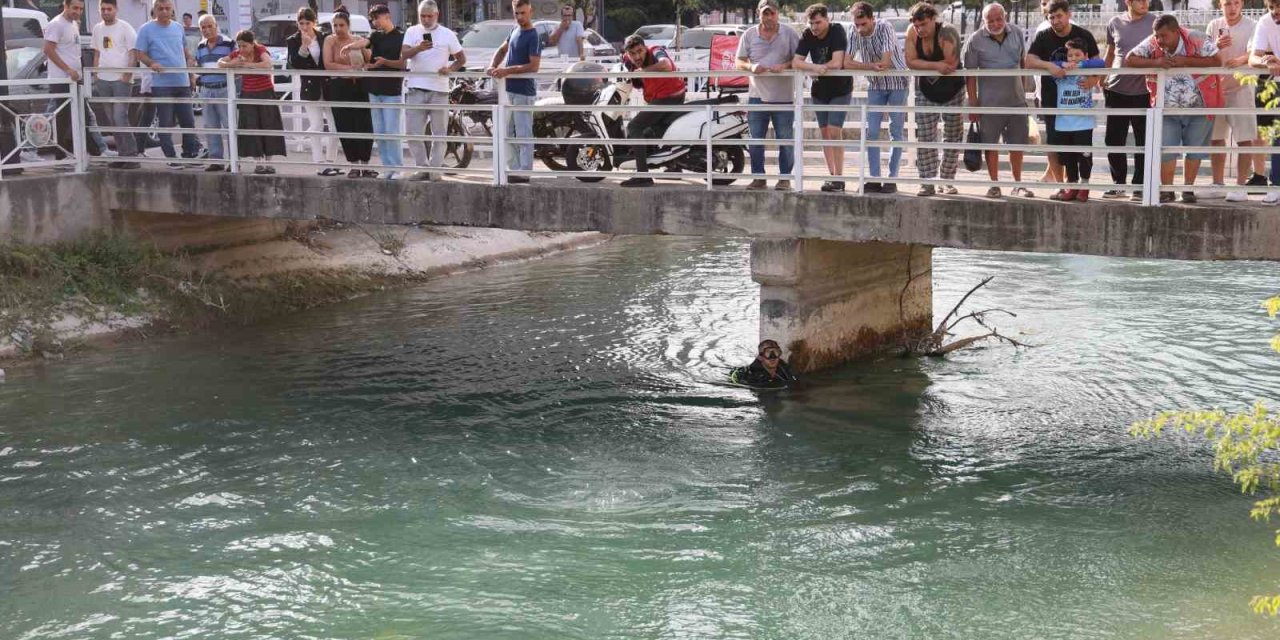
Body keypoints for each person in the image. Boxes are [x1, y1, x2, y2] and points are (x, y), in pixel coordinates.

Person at [1125, 14, 1222, 204]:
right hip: (1165, 108)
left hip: (1200, 106)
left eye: (1164, 36)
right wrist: (1156, 63)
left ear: (1177, 32)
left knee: (1194, 150)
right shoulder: (1153, 42)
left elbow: (1218, 61)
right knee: (1166, 150)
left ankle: (1187, 189)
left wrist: (1186, 60)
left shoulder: (1196, 38)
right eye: (1157, 36)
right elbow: (1130, 59)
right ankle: (1167, 191)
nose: (1159, 41)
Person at [1025, 0, 1098, 202]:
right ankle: (1065, 186)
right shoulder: (1043, 35)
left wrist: (1094, 80)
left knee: (1082, 147)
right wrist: (1050, 66)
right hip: (1052, 102)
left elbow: (1099, 61)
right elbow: (1029, 61)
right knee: (1058, 146)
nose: (1056, 21)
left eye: (1059, 16)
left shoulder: (1084, 35)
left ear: (1068, 14)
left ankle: (1083, 186)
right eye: (1051, 17)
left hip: (1080, 104)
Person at [963, 3, 1033, 199]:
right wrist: (973, 104)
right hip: (989, 104)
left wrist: (1024, 94)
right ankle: (994, 184)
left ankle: (1018, 184)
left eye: (998, 19)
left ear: (1005, 16)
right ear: (984, 21)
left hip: (1017, 101)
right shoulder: (975, 40)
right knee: (990, 145)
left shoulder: (1017, 32)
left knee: (1017, 145)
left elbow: (1023, 63)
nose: (995, 24)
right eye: (990, 21)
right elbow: (970, 76)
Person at [735, 0, 798, 191]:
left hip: (784, 96)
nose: (769, 17)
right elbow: (739, 60)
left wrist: (785, 66)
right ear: (758, 14)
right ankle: (758, 178)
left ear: (778, 14)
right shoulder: (749, 34)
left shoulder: (789, 33)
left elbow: (799, 59)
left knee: (785, 140)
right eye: (765, 13)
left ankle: (785, 178)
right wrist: (751, 66)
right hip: (757, 95)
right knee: (755, 140)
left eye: (772, 13)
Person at [846, 1, 908, 194]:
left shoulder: (885, 26)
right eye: (856, 24)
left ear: (872, 19)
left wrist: (869, 65)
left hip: (898, 83)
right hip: (875, 84)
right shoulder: (853, 31)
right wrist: (870, 67)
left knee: (895, 131)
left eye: (863, 23)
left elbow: (886, 61)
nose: (859, 28)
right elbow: (847, 63)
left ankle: (891, 178)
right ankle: (874, 178)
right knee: (871, 131)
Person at [1207, 0, 1265, 201]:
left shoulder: (1252, 25)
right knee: (1216, 138)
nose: (1232, 7)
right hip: (1217, 89)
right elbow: (1205, 53)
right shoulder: (1214, 25)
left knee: (1245, 138)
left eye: (1236, 3)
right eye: (1227, 3)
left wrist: (1240, 60)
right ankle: (1217, 182)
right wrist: (1215, 46)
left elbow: (1257, 52)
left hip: (1242, 88)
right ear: (1220, 5)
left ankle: (1240, 186)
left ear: (1242, 4)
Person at [401, 0, 465, 181]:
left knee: (439, 134)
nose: (426, 19)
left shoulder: (447, 34)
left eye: (430, 16)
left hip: (439, 90)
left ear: (437, 15)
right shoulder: (412, 31)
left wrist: (450, 69)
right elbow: (403, 54)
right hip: (415, 88)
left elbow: (461, 58)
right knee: (412, 132)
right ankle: (422, 168)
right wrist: (418, 48)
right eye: (423, 15)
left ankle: (435, 170)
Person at [905, 2, 963, 197]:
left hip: (953, 89)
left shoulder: (947, 32)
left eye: (924, 25)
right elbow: (910, 62)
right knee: (925, 135)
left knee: (953, 135)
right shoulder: (912, 33)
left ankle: (946, 180)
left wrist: (928, 65)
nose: (920, 29)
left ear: (933, 20)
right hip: (926, 89)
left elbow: (951, 64)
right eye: (916, 25)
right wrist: (936, 65)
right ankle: (927, 181)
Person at [133, 0, 201, 166]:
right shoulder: (146, 29)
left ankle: (189, 154)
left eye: (167, 8)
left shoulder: (178, 27)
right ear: (154, 10)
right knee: (165, 122)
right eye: (160, 8)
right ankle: (171, 158)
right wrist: (151, 63)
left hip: (182, 81)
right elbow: (138, 53)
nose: (164, 12)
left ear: (172, 10)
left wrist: (191, 68)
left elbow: (184, 50)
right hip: (161, 84)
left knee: (188, 121)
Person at [792, 3, 850, 193]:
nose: (815, 27)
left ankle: (839, 178)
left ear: (827, 19)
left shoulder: (837, 30)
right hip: (819, 90)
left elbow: (837, 62)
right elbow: (796, 62)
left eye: (818, 22)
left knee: (834, 131)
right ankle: (831, 175)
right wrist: (815, 68)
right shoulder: (808, 34)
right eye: (811, 23)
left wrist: (818, 67)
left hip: (840, 89)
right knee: (825, 133)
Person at [1101, 0, 1155, 201]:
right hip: (1116, 89)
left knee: (1143, 140)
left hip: (1145, 91)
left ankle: (1139, 185)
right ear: (1128, 2)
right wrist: (1102, 76)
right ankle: (1118, 184)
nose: (1145, 3)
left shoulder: (1155, 22)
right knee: (1113, 140)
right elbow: (1110, 53)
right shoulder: (1114, 22)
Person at [344, 4, 405, 179]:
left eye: (376, 18)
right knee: (379, 131)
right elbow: (365, 42)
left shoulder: (401, 36)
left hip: (391, 89)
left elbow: (402, 61)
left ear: (387, 16)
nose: (374, 22)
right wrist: (350, 47)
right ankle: (387, 168)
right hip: (374, 88)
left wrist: (383, 62)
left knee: (391, 131)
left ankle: (397, 168)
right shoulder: (376, 35)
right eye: (372, 19)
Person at [486, 0, 542, 184]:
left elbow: (534, 66)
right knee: (506, 131)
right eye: (516, 13)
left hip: (524, 91)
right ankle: (514, 169)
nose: (519, 17)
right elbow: (502, 50)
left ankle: (524, 172)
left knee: (524, 132)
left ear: (530, 11)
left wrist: (507, 71)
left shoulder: (534, 35)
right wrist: (493, 65)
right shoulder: (514, 30)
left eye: (523, 13)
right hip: (508, 90)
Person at [618, 34, 684, 187]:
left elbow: (666, 64)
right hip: (660, 98)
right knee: (654, 129)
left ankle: (643, 175)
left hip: (669, 97)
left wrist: (642, 71)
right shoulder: (629, 61)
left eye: (640, 51)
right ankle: (674, 166)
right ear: (627, 53)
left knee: (634, 126)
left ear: (645, 48)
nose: (637, 56)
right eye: (632, 53)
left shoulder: (655, 51)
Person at [44, 0, 106, 158]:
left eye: (80, 9)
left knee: (84, 115)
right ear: (66, 6)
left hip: (75, 79)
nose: (78, 11)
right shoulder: (56, 24)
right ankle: (61, 156)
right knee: (62, 120)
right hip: (62, 79)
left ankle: (96, 151)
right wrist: (67, 69)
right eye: (74, 8)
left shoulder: (74, 24)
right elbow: (48, 50)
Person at [218, 30, 285, 173]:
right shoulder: (238, 54)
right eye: (239, 46)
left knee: (268, 125)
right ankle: (258, 162)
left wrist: (248, 65)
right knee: (251, 127)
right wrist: (233, 64)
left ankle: (268, 162)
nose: (242, 49)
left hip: (265, 92)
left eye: (245, 46)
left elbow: (267, 63)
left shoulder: (260, 49)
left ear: (252, 44)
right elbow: (220, 63)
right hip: (248, 93)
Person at [1048, 38, 1104, 201]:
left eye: (1077, 55)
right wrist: (1064, 65)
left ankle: (1084, 186)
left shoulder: (1088, 72)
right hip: (1064, 123)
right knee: (1068, 158)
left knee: (1084, 156)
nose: (1073, 58)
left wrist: (1080, 65)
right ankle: (1072, 186)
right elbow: (1052, 63)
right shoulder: (1061, 74)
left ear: (1085, 56)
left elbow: (1100, 63)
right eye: (1070, 56)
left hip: (1083, 123)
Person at [323, 10, 376, 178]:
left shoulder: (358, 40)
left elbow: (369, 60)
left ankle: (365, 165)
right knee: (345, 125)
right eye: (335, 25)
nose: (338, 29)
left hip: (359, 85)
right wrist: (349, 69)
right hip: (340, 85)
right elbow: (328, 64)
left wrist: (365, 50)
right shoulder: (330, 40)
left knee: (364, 124)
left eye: (341, 25)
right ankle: (353, 164)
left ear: (348, 26)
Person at [288, 6, 340, 175]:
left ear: (314, 22)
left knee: (335, 126)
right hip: (310, 87)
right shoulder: (293, 40)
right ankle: (320, 162)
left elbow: (330, 59)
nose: (304, 27)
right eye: (300, 23)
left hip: (328, 86)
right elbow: (294, 64)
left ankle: (331, 161)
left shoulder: (324, 37)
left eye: (307, 23)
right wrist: (303, 47)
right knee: (316, 125)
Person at [91, 0, 139, 168]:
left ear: (116, 10)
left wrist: (127, 75)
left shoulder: (125, 27)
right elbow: (97, 53)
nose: (105, 12)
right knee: (111, 119)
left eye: (108, 9)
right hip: (103, 80)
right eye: (102, 9)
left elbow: (133, 53)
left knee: (120, 117)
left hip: (121, 80)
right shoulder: (97, 28)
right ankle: (122, 154)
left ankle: (132, 156)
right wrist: (96, 74)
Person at [1249, 0, 1280, 204]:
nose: (1275, 11)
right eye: (1271, 7)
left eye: (1279, 6)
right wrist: (1265, 62)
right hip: (1277, 86)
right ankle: (1277, 186)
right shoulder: (1265, 21)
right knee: (1278, 137)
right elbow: (1253, 57)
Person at [194, 14, 233, 172]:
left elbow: (237, 63)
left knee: (229, 125)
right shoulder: (200, 46)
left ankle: (233, 160)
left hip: (223, 88)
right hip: (206, 89)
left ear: (216, 26)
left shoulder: (229, 43)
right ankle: (216, 160)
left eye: (210, 26)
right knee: (211, 126)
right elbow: (198, 67)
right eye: (203, 27)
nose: (207, 30)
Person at [728, 340, 797, 388]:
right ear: (760, 357)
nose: (772, 357)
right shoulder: (753, 377)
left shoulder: (784, 369)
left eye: (776, 352)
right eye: (768, 353)